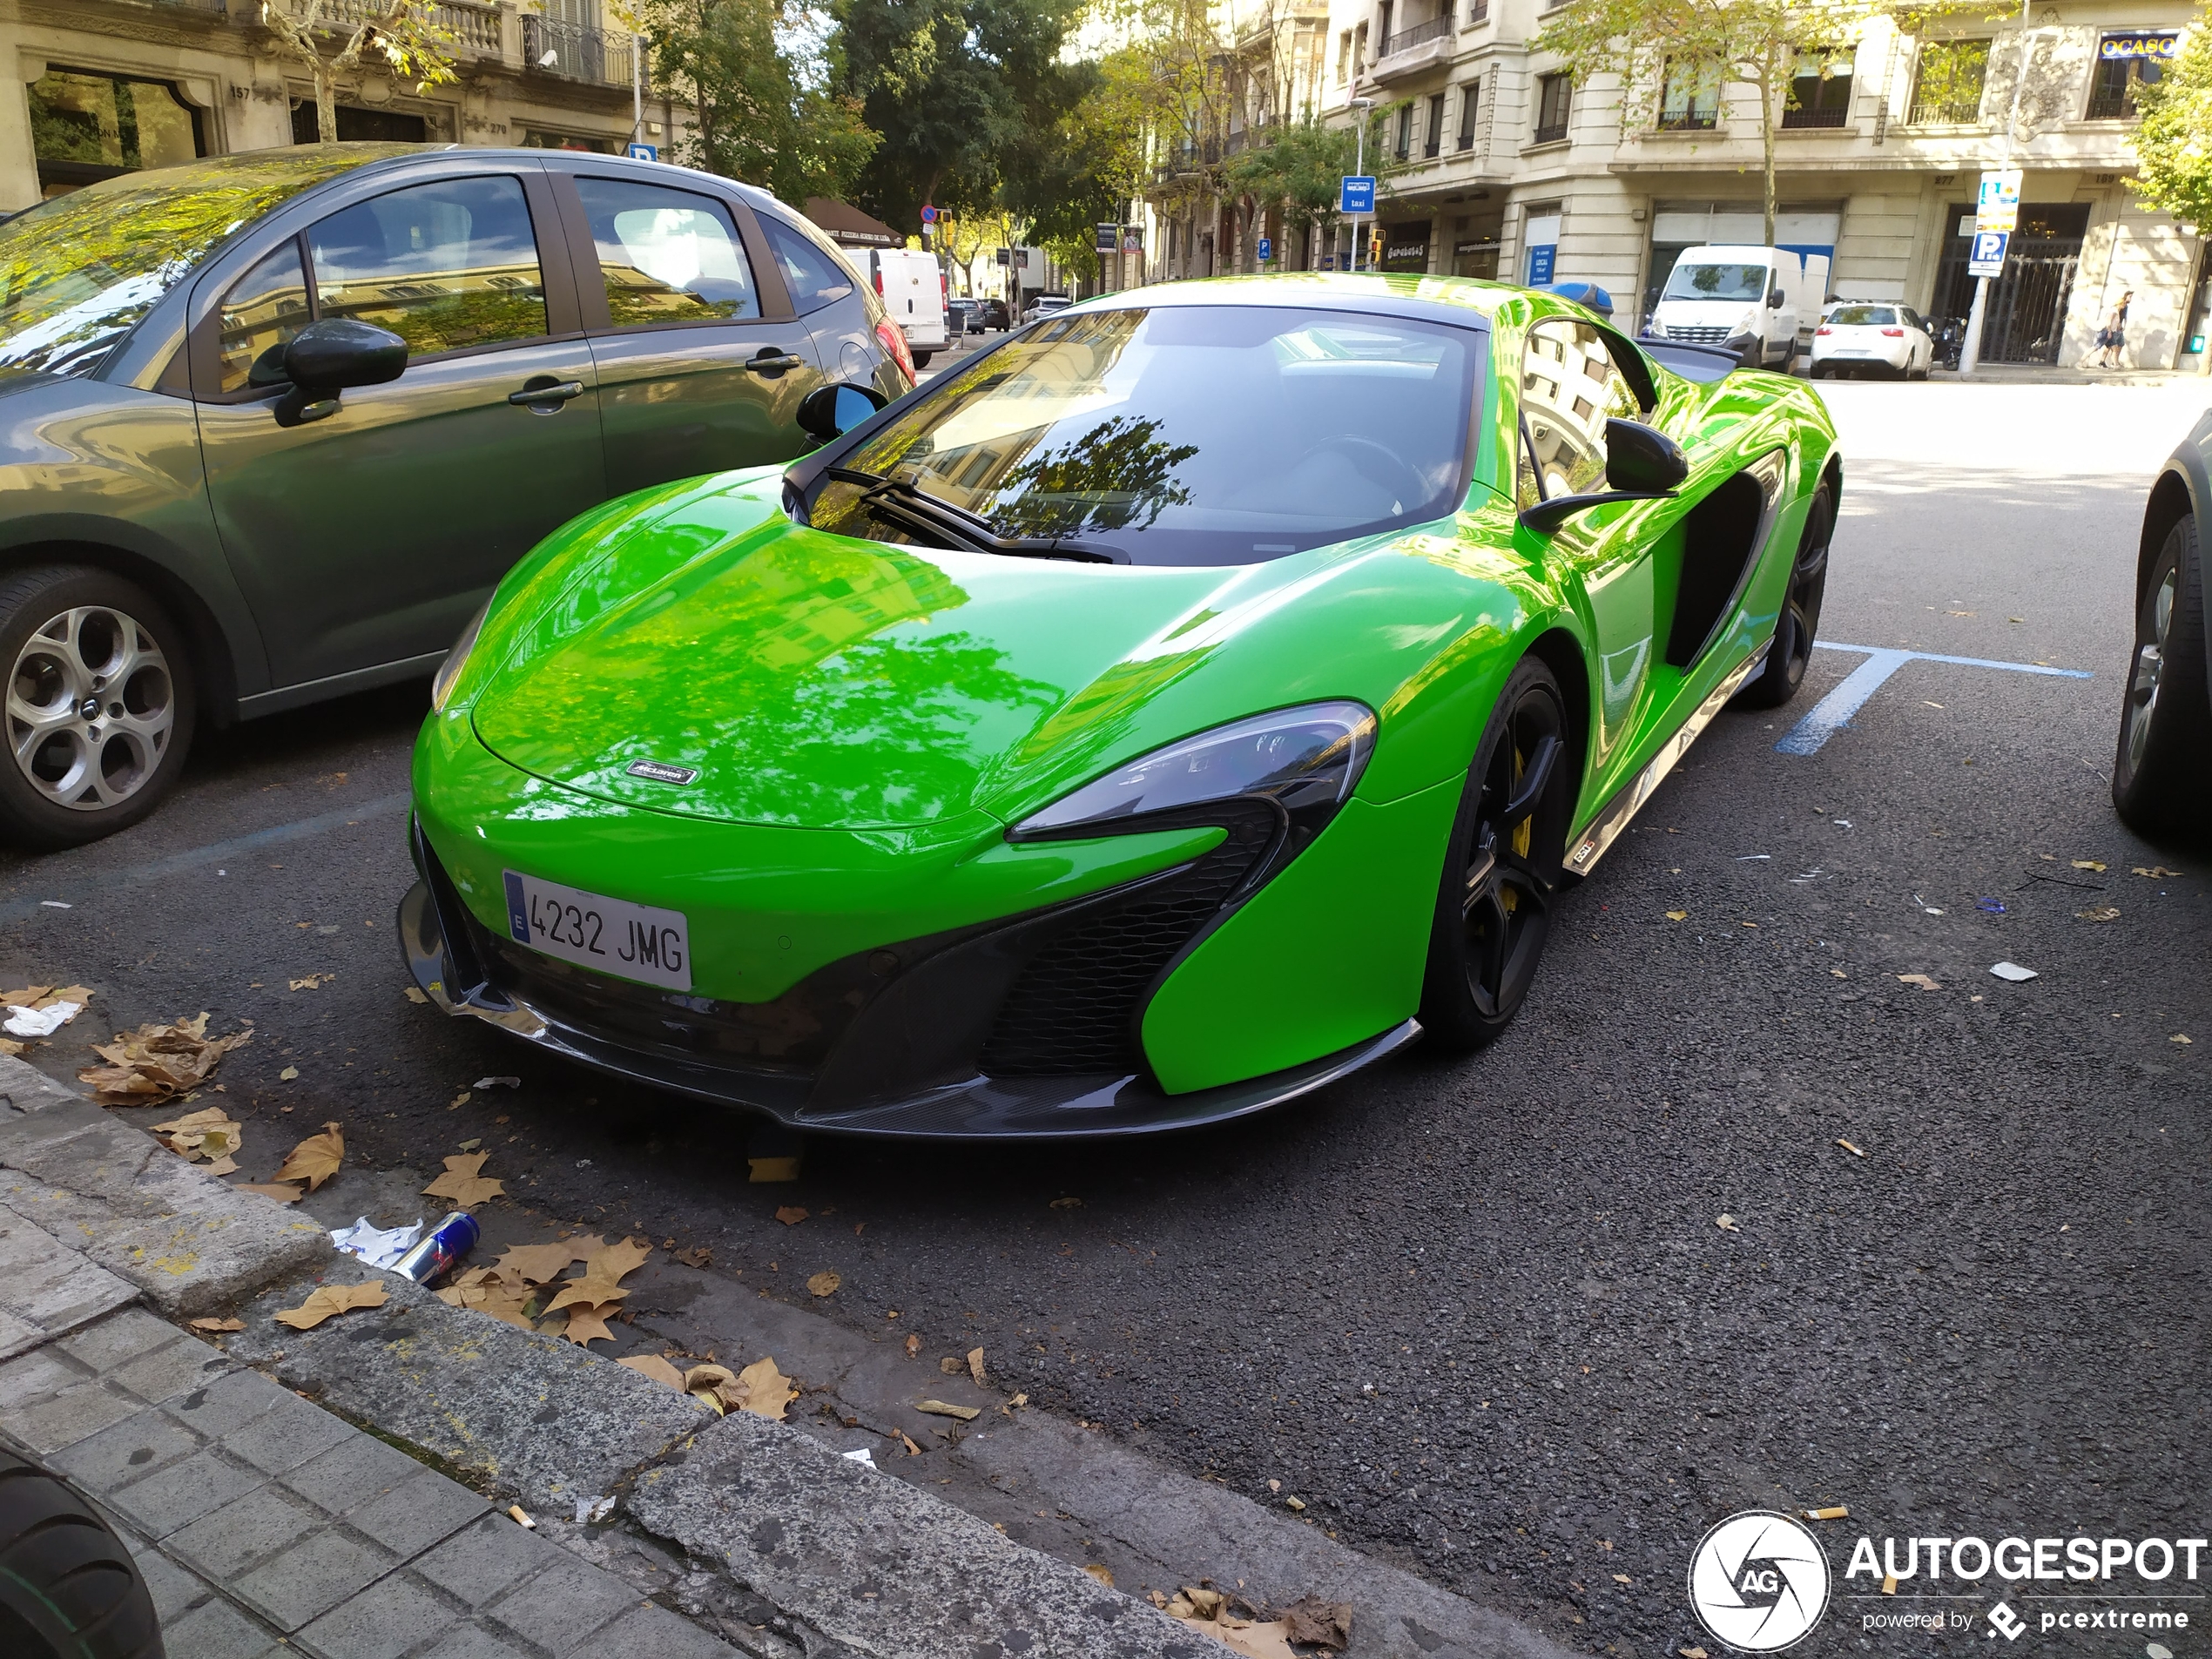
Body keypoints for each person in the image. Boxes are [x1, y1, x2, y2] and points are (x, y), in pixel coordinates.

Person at [2095, 291, 2134, 368]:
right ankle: (2104, 362)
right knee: (2110, 345)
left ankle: (2114, 362)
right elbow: (2116, 315)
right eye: (2130, 296)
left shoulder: (2126, 306)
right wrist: (2118, 325)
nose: (2131, 298)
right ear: (2126, 296)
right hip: (2116, 328)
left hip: (2119, 328)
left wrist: (2124, 325)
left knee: (2120, 344)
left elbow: (2125, 317)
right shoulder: (2121, 304)